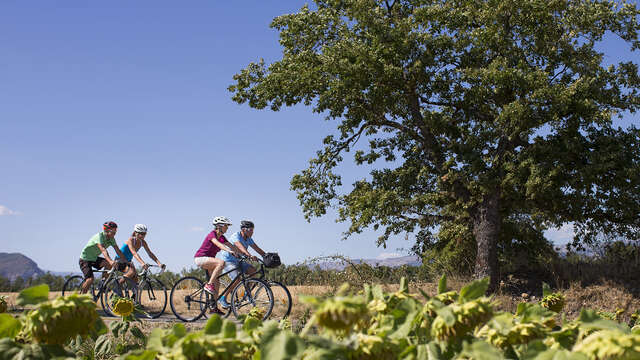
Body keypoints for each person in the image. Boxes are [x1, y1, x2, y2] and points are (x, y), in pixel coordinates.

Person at [193, 216, 242, 314]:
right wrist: (230, 251)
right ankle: (208, 285)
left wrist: (242, 254)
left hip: (209, 261)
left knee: (217, 283)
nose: (227, 228)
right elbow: (219, 245)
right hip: (200, 258)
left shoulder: (222, 237)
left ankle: (213, 307)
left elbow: (232, 246)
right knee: (221, 262)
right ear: (220, 226)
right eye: (226, 226)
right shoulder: (212, 234)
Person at [217, 220, 267, 309]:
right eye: (250, 230)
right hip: (228, 261)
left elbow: (257, 248)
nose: (252, 232)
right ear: (244, 230)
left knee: (253, 272)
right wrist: (250, 255)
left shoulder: (249, 239)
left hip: (239, 260)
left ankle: (247, 294)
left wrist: (266, 255)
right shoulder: (235, 236)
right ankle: (222, 298)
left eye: (253, 230)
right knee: (237, 279)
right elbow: (241, 248)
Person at [78, 221, 128, 294]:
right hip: (85, 259)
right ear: (106, 230)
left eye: (115, 231)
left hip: (94, 258)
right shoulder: (99, 237)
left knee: (109, 265)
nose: (115, 233)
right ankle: (81, 298)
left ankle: (102, 284)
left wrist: (126, 261)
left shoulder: (111, 239)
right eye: (113, 231)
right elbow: (103, 250)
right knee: (90, 279)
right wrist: (111, 261)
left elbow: (118, 251)